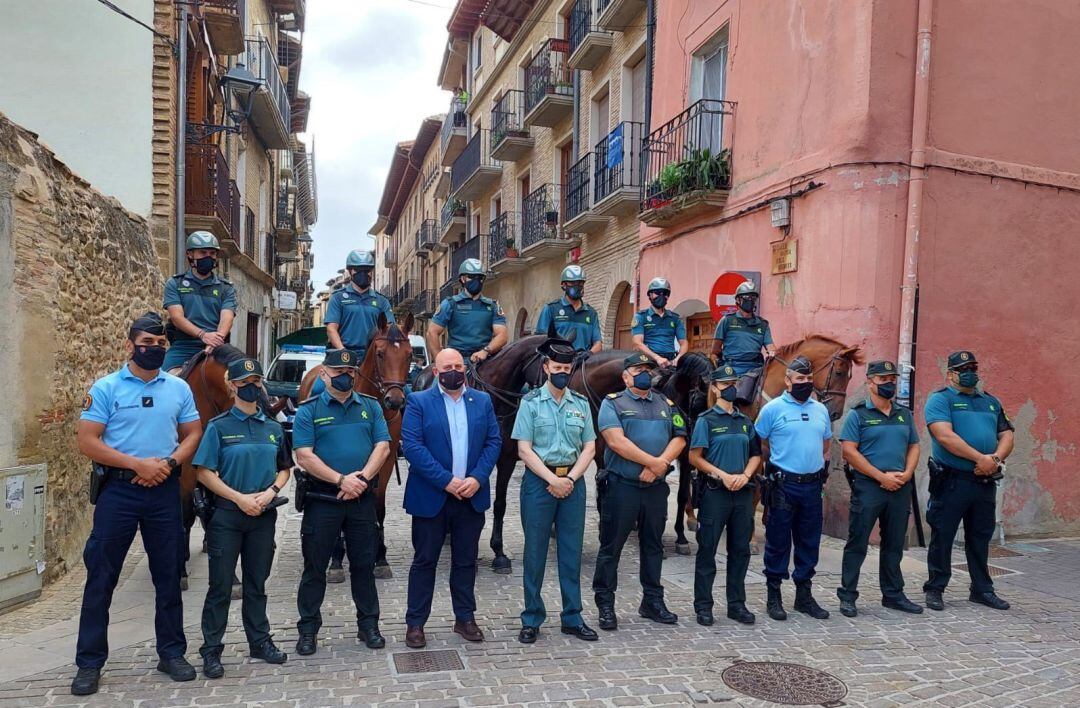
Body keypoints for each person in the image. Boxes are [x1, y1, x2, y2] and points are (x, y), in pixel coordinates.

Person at [71, 313, 203, 696]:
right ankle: (89, 663)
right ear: (130, 345)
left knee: (168, 574)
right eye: (147, 342)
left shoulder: (177, 389)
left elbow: (193, 431)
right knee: (101, 577)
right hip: (119, 492)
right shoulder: (107, 388)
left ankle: (172, 653)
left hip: (164, 490)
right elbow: (87, 440)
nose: (154, 349)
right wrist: (135, 464)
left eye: (161, 344)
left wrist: (170, 463)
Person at [192, 358, 293, 677]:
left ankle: (259, 641)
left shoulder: (272, 427)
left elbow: (285, 468)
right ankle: (211, 649)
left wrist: (270, 492)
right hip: (227, 516)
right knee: (220, 586)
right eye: (244, 381)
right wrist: (239, 499)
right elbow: (204, 472)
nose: (251, 385)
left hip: (263, 515)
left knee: (256, 583)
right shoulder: (218, 427)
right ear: (232, 385)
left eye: (256, 380)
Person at [292, 348, 392, 654]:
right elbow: (304, 455)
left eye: (350, 373)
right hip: (323, 499)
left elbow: (383, 446)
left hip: (361, 499)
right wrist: (340, 480)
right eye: (339, 373)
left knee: (363, 564)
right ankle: (308, 630)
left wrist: (360, 479)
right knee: (315, 567)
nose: (346, 377)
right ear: (324, 374)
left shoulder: (371, 407)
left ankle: (369, 625)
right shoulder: (309, 410)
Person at [400, 348, 501, 649]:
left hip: (471, 495)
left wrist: (477, 478)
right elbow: (413, 447)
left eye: (459, 365)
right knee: (425, 561)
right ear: (435, 369)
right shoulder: (418, 401)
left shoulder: (482, 401)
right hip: (432, 496)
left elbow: (493, 442)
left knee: (466, 561)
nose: (454, 371)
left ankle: (465, 618)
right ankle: (416, 623)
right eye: (448, 366)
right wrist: (446, 481)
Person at [511, 338, 598, 644]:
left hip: (572, 483)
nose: (562, 372)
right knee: (534, 552)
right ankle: (532, 617)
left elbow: (589, 447)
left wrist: (570, 480)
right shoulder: (530, 403)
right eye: (556, 367)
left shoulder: (581, 404)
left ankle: (572, 617)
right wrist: (552, 479)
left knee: (571, 552)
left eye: (566, 368)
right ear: (546, 367)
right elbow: (524, 449)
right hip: (539, 482)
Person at [592, 353, 687, 630]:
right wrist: (654, 463)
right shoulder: (613, 404)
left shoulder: (665, 404)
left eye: (648, 369)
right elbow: (616, 442)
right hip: (622, 488)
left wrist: (660, 467)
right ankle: (606, 604)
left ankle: (653, 601)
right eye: (638, 370)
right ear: (625, 376)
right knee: (612, 548)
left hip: (655, 489)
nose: (644, 374)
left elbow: (680, 438)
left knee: (653, 545)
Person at [923, 350, 1014, 612]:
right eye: (963, 368)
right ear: (950, 373)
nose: (969, 372)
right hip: (952, 480)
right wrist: (980, 459)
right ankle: (936, 588)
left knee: (980, 536)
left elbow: (1006, 435)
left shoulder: (990, 401)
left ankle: (982, 589)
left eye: (973, 367)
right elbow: (945, 436)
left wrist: (994, 460)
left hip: (984, 481)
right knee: (943, 535)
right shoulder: (940, 400)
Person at [837, 360, 923, 617]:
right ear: (870, 382)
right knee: (858, 542)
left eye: (892, 379)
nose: (889, 383)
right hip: (869, 487)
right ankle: (848, 596)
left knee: (894, 544)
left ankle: (893, 594)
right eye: (883, 379)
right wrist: (879, 476)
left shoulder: (903, 413)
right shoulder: (858, 414)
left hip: (899, 486)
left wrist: (907, 473)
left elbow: (914, 445)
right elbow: (849, 451)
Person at [754, 355, 832, 621]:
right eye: (800, 379)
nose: (805, 383)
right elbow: (760, 443)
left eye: (809, 379)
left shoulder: (820, 409)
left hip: (812, 485)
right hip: (784, 484)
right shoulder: (773, 409)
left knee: (809, 541)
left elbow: (825, 444)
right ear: (788, 382)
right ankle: (774, 595)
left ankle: (804, 595)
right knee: (778, 541)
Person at [689, 365, 762, 627]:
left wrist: (745, 474)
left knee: (740, 550)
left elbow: (756, 454)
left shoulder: (744, 421)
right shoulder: (706, 420)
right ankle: (704, 605)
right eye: (726, 384)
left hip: (742, 492)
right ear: (715, 387)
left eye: (734, 383)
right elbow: (695, 457)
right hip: (715, 492)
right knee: (707, 549)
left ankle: (736, 604)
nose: (731, 388)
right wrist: (722, 475)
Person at [162, 231, 237, 371]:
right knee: (161, 377)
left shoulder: (226, 288)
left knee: (246, 376)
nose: (208, 257)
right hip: (184, 346)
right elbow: (177, 317)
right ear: (190, 255)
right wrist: (203, 335)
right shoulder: (175, 283)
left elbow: (227, 317)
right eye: (203, 253)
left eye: (212, 253)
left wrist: (215, 340)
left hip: (217, 346)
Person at [427, 258, 508, 364]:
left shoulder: (493, 306)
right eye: (472, 277)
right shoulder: (450, 304)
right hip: (455, 360)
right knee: (438, 380)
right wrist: (439, 360)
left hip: (485, 359)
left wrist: (485, 351)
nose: (477, 280)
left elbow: (502, 335)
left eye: (480, 277)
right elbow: (432, 332)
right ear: (463, 279)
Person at [324, 250, 395, 362]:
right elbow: (331, 329)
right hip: (343, 354)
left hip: (373, 356)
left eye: (367, 270)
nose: (363, 273)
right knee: (322, 379)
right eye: (358, 270)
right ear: (350, 271)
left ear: (372, 271)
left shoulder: (382, 301)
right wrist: (343, 350)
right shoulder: (338, 298)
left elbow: (390, 329)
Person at [711, 281, 775, 375]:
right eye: (747, 297)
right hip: (732, 368)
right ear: (738, 300)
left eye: (753, 297)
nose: (750, 300)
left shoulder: (763, 324)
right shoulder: (727, 321)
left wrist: (772, 352)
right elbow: (715, 350)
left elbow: (771, 347)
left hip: (756, 368)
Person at [535, 265, 602, 353]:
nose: (577, 286)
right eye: (573, 283)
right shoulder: (551, 309)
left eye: (580, 283)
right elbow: (540, 339)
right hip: (558, 362)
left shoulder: (591, 313)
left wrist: (589, 354)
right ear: (564, 285)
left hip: (583, 363)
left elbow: (598, 343)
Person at [631, 277, 688, 369]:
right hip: (649, 361)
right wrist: (657, 358)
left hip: (670, 361)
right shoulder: (641, 317)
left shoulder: (674, 318)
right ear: (650, 295)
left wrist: (678, 358)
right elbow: (637, 343)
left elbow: (684, 343)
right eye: (657, 293)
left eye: (665, 293)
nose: (661, 296)